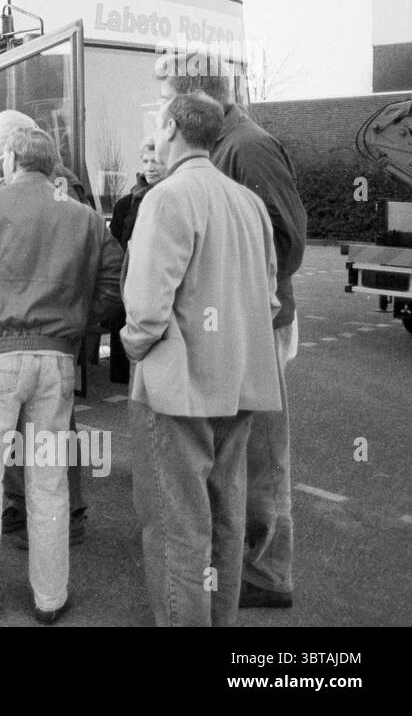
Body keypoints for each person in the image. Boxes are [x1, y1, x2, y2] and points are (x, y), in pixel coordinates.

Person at [0, 126, 123, 623]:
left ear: (13, 159)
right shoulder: (83, 218)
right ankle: (50, 597)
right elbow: (115, 281)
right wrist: (78, 321)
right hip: (56, 359)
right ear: (51, 165)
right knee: (49, 477)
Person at [123, 93, 283, 627]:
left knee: (176, 524)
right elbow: (271, 298)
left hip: (177, 389)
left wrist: (132, 346)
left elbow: (146, 308)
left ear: (171, 127)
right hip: (240, 383)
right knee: (224, 518)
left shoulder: (167, 198)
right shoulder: (248, 203)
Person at [155, 53, 307, 610]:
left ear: (193, 99)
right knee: (243, 455)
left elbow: (286, 241)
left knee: (262, 455)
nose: (163, 112)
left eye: (168, 96)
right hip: (242, 324)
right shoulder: (226, 145)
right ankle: (244, 568)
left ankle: (267, 574)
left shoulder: (246, 146)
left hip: (254, 326)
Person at [0, 109, 91, 546]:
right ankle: (21, 503)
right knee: (26, 420)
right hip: (33, 321)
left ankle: (68, 515)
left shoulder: (58, 184)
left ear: (14, 144)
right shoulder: (21, 181)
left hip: (48, 322)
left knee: (52, 425)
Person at [106, 139, 166, 385]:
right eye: (146, 161)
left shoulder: (171, 197)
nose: (150, 167)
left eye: (156, 161)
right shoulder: (125, 203)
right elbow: (116, 243)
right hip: (129, 279)